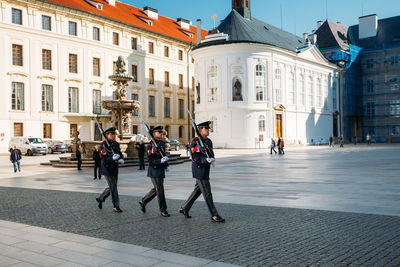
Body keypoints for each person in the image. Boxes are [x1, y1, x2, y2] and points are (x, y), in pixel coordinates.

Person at [179, 121, 225, 223]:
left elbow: (210, 153)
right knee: (207, 192)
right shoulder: (195, 142)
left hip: (205, 169)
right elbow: (195, 158)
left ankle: (185, 207)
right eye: (206, 128)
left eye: (208, 128)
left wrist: (212, 159)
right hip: (199, 169)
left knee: (198, 190)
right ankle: (214, 214)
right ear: (200, 130)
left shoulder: (208, 141)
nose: (208, 130)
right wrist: (205, 160)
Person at [139, 125, 170, 217]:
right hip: (154, 170)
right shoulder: (149, 146)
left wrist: (166, 164)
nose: (161, 134)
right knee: (160, 190)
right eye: (159, 132)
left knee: (156, 189)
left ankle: (143, 201)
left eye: (161, 132)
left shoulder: (161, 144)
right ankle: (163, 210)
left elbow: (163, 155)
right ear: (154, 134)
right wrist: (160, 161)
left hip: (161, 170)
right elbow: (150, 160)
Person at [96, 127, 125, 213]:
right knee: (113, 187)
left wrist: (121, 158)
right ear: (107, 135)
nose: (114, 136)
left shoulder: (116, 144)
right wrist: (112, 158)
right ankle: (116, 206)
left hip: (114, 168)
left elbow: (119, 153)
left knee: (112, 186)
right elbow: (103, 159)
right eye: (112, 134)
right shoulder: (103, 145)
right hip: (107, 169)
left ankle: (101, 198)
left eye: (114, 134)